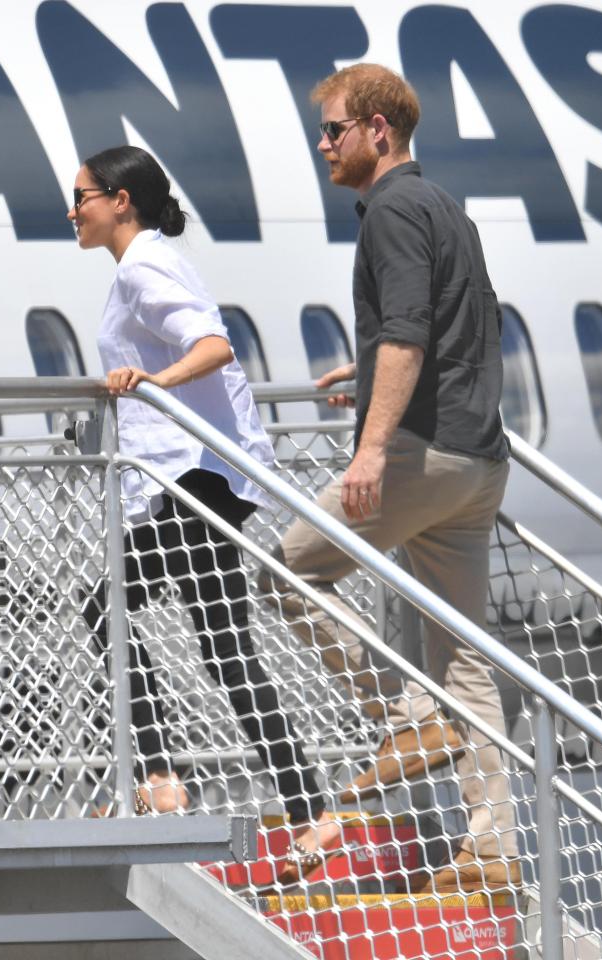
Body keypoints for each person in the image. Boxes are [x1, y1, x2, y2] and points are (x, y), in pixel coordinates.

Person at [262, 65, 520, 893]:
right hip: (479, 462)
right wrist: (369, 367)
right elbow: (449, 322)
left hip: (422, 452)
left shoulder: (391, 211)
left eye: (334, 129)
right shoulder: (442, 205)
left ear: (379, 130)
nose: (322, 144)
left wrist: (372, 447)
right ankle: (488, 853)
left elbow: (410, 332)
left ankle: (408, 719)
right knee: (465, 663)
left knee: (289, 568)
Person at [67, 145, 340, 880]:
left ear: (121, 200)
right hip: (203, 480)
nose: (73, 210)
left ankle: (158, 770)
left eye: (83, 196)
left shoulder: (142, 267)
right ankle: (308, 809)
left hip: (193, 480)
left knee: (106, 608)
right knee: (224, 649)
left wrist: (153, 380)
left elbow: (213, 345)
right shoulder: (149, 261)